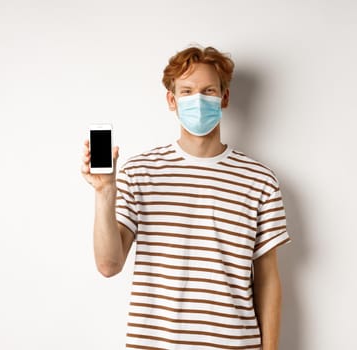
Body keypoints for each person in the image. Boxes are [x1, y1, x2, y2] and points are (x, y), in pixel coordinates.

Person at [81, 45, 291, 350]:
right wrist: (104, 192)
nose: (198, 99)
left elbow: (268, 281)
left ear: (225, 97)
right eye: (187, 91)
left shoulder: (260, 181)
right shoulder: (139, 173)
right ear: (172, 100)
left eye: (208, 90)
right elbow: (109, 265)